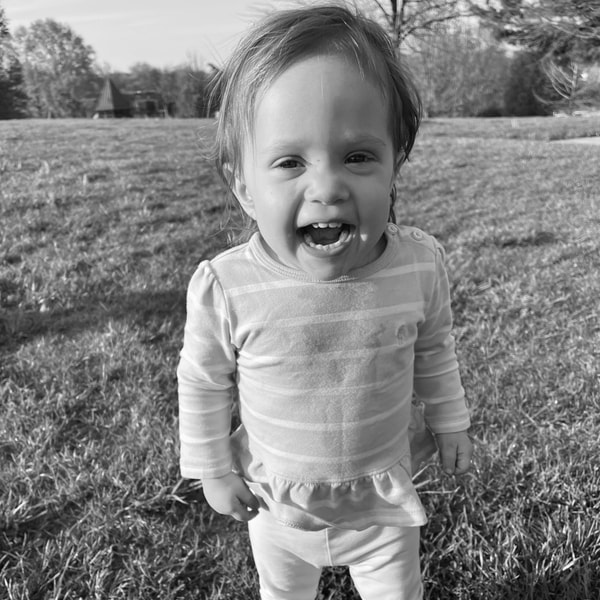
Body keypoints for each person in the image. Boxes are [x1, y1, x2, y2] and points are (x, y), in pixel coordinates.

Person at [178, 5, 473, 599]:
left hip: (383, 505)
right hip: (275, 507)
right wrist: (211, 467)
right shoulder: (228, 286)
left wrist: (451, 421)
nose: (328, 187)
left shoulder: (417, 266)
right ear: (244, 186)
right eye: (290, 162)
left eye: (358, 156)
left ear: (395, 163)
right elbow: (204, 381)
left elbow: (434, 347)